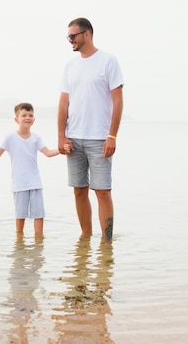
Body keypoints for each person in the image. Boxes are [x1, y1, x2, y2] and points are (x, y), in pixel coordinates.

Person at [57, 18, 124, 241]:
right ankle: (85, 240)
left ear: (87, 34)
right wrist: (61, 135)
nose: (70, 41)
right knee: (78, 190)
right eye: (68, 37)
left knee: (103, 192)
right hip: (73, 138)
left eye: (72, 36)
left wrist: (112, 135)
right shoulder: (70, 66)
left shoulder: (108, 61)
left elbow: (118, 101)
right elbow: (63, 103)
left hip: (99, 139)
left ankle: (107, 243)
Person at [0, 103, 59, 235]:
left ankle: (39, 240)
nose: (28, 118)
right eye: (24, 115)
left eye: (31, 115)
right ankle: (19, 241)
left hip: (35, 182)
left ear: (34, 120)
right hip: (19, 183)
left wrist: (61, 149)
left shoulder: (36, 138)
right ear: (16, 119)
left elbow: (47, 153)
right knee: (20, 215)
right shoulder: (10, 137)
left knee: (39, 214)